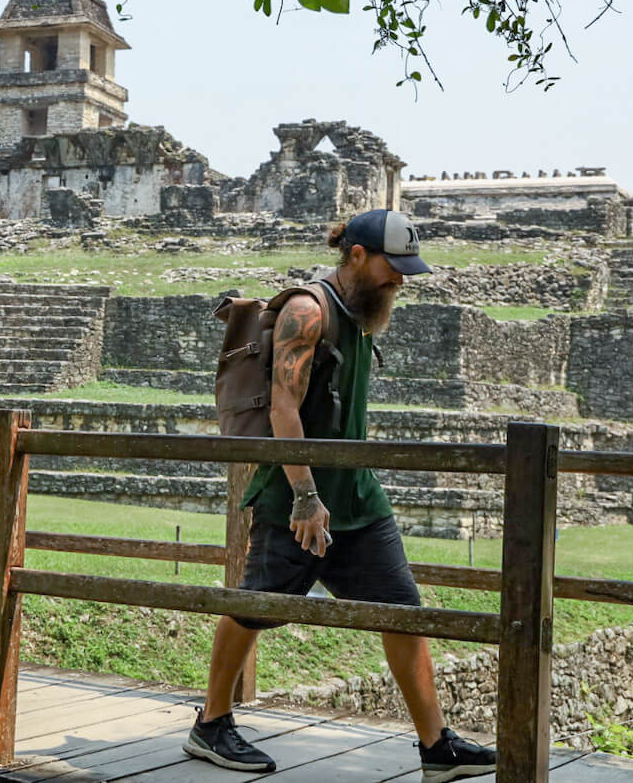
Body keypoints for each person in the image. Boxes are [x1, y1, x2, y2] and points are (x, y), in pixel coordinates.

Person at [185, 210, 497, 782]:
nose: (399, 281)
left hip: (357, 498)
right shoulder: (308, 310)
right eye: (391, 267)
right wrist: (305, 495)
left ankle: (437, 748)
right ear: (356, 255)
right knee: (255, 605)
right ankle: (211, 723)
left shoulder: (356, 315)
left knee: (403, 611)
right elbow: (283, 406)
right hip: (296, 497)